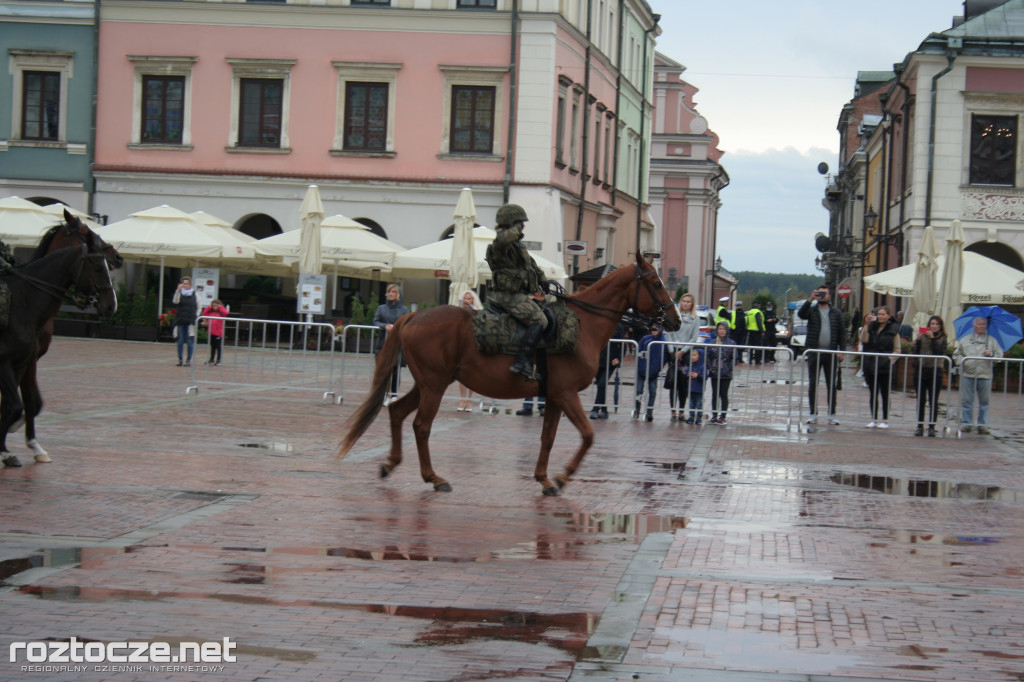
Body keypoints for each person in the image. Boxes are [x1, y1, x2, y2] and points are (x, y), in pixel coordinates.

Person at [484, 203, 548, 382]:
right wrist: (516, 228)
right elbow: (504, 239)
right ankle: (521, 361)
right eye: (520, 223)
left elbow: (531, 265)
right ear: (511, 223)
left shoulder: (518, 247)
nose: (523, 226)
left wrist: (545, 280)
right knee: (540, 320)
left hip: (518, 294)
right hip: (508, 297)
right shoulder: (500, 244)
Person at [798, 285, 845, 424]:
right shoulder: (812, 310)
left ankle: (831, 414)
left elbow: (841, 332)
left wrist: (841, 350)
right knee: (813, 383)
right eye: (820, 293)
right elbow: (801, 315)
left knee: (831, 384)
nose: (823, 295)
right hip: (814, 351)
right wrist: (810, 300)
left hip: (831, 352)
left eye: (825, 293)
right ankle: (813, 413)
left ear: (830, 296)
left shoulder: (836, 312)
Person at [953, 316, 1003, 434]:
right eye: (979, 324)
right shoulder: (964, 340)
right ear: (974, 326)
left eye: (983, 324)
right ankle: (966, 424)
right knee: (967, 401)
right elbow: (956, 355)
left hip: (984, 375)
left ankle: (982, 425)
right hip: (968, 374)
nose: (982, 326)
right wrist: (963, 360)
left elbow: (1000, 357)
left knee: (984, 402)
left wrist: (991, 354)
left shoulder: (992, 341)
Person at [858, 306, 901, 429]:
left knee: (885, 393)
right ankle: (874, 419)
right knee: (873, 393)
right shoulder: (872, 327)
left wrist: (889, 360)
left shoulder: (893, 330)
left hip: (884, 366)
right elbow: (863, 339)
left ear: (888, 316)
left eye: (883, 314)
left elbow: (897, 350)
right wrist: (866, 325)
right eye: (879, 314)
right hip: (871, 365)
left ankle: (885, 419)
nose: (881, 316)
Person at [664, 293, 700, 422]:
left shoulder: (695, 318)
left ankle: (681, 411)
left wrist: (683, 351)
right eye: (684, 301)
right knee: (673, 382)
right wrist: (672, 350)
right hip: (674, 352)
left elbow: (694, 337)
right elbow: (669, 333)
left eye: (688, 301)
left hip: (686, 353)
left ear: (692, 304)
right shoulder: (674, 316)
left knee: (683, 384)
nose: (685, 303)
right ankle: (673, 412)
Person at [912, 315, 948, 437]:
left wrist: (932, 339)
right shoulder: (923, 337)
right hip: (921, 370)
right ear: (929, 325)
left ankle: (932, 427)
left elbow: (939, 351)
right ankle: (920, 426)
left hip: (935, 370)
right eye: (932, 324)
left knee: (933, 400)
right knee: (921, 399)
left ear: (940, 326)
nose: (934, 326)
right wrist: (918, 340)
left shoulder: (942, 337)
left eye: (937, 324)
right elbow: (915, 351)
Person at [373, 283, 411, 402]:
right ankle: (383, 394)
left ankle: (394, 395)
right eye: (389, 292)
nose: (390, 294)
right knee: (383, 370)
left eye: (393, 292)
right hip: (383, 344)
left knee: (395, 370)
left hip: (398, 345)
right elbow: (375, 321)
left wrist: (397, 327)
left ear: (398, 294)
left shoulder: (404, 310)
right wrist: (385, 326)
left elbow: (408, 324)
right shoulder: (381, 308)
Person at [590, 321, 627, 419]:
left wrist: (618, 358)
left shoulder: (618, 327)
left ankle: (595, 409)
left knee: (602, 384)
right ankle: (604, 410)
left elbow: (623, 345)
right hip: (599, 360)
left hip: (610, 362)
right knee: (600, 386)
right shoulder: (598, 324)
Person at [705, 321, 737, 424]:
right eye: (719, 329)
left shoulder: (731, 343)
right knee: (715, 394)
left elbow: (735, 358)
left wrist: (729, 368)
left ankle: (723, 416)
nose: (721, 331)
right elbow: (707, 356)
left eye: (723, 329)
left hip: (726, 374)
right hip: (714, 372)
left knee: (724, 394)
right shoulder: (712, 342)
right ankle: (714, 415)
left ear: (726, 330)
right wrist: (710, 368)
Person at [456, 290, 483, 411]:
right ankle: (462, 400)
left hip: (473, 345)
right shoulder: (458, 312)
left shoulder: (477, 312)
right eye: (465, 298)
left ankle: (469, 401)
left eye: (469, 298)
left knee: (472, 374)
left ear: (473, 300)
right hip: (461, 345)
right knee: (462, 373)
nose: (467, 300)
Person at [633, 324, 666, 422]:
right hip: (642, 369)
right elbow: (638, 352)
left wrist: (658, 368)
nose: (653, 331)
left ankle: (649, 411)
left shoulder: (663, 341)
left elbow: (664, 357)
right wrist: (640, 365)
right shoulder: (645, 339)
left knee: (653, 392)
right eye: (652, 329)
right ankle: (637, 408)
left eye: (656, 329)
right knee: (639, 390)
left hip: (654, 371)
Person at [172, 276, 199, 367]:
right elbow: (175, 301)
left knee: (189, 341)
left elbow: (199, 306)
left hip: (190, 321)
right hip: (180, 320)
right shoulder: (180, 293)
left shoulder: (195, 294)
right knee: (180, 341)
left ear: (190, 284)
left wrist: (196, 316)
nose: (185, 285)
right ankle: (180, 359)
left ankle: (188, 360)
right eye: (183, 283)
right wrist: (177, 291)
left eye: (187, 283)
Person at [200, 298, 230, 366]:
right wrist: (209, 307)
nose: (214, 307)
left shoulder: (221, 313)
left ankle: (219, 360)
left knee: (218, 346)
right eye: (213, 306)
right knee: (212, 346)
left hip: (218, 332)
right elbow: (204, 313)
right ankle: (211, 359)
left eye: (216, 305)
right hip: (211, 332)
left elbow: (226, 313)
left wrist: (220, 307)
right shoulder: (211, 313)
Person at [685, 348, 706, 425]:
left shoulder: (703, 367)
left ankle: (699, 417)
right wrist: (687, 374)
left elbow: (705, 377)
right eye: (691, 355)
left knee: (699, 403)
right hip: (691, 388)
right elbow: (686, 373)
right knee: (691, 403)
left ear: (700, 357)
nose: (692, 357)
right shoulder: (691, 366)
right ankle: (691, 416)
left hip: (699, 389)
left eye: (694, 355)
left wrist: (698, 375)